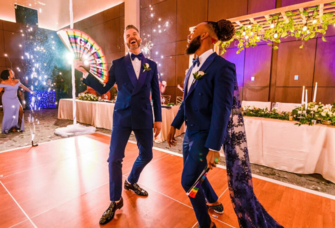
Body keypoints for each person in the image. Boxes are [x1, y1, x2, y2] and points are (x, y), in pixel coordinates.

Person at [168, 20, 283, 228]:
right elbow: (187, 100)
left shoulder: (223, 68)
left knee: (187, 182)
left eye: (193, 31)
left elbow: (223, 111)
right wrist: (175, 124)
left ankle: (206, 224)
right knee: (195, 177)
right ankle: (213, 201)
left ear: (203, 36)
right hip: (189, 135)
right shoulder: (191, 67)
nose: (189, 35)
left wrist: (213, 147)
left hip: (204, 139)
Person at [74, 24, 162, 225]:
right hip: (122, 116)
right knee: (114, 159)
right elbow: (104, 86)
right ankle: (115, 200)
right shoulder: (118, 64)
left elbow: (155, 94)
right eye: (128, 35)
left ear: (140, 38)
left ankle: (130, 181)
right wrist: (86, 74)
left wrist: (158, 119)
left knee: (147, 154)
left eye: (134, 34)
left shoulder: (152, 65)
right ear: (125, 41)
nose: (131, 37)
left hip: (143, 116)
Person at [0, 69, 34, 134]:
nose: (13, 73)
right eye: (11, 72)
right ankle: (9, 128)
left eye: (13, 72)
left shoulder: (16, 81)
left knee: (20, 110)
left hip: (15, 99)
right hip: (6, 99)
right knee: (9, 114)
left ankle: (18, 127)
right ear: (8, 75)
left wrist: (30, 91)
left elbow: (23, 86)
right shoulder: (3, 82)